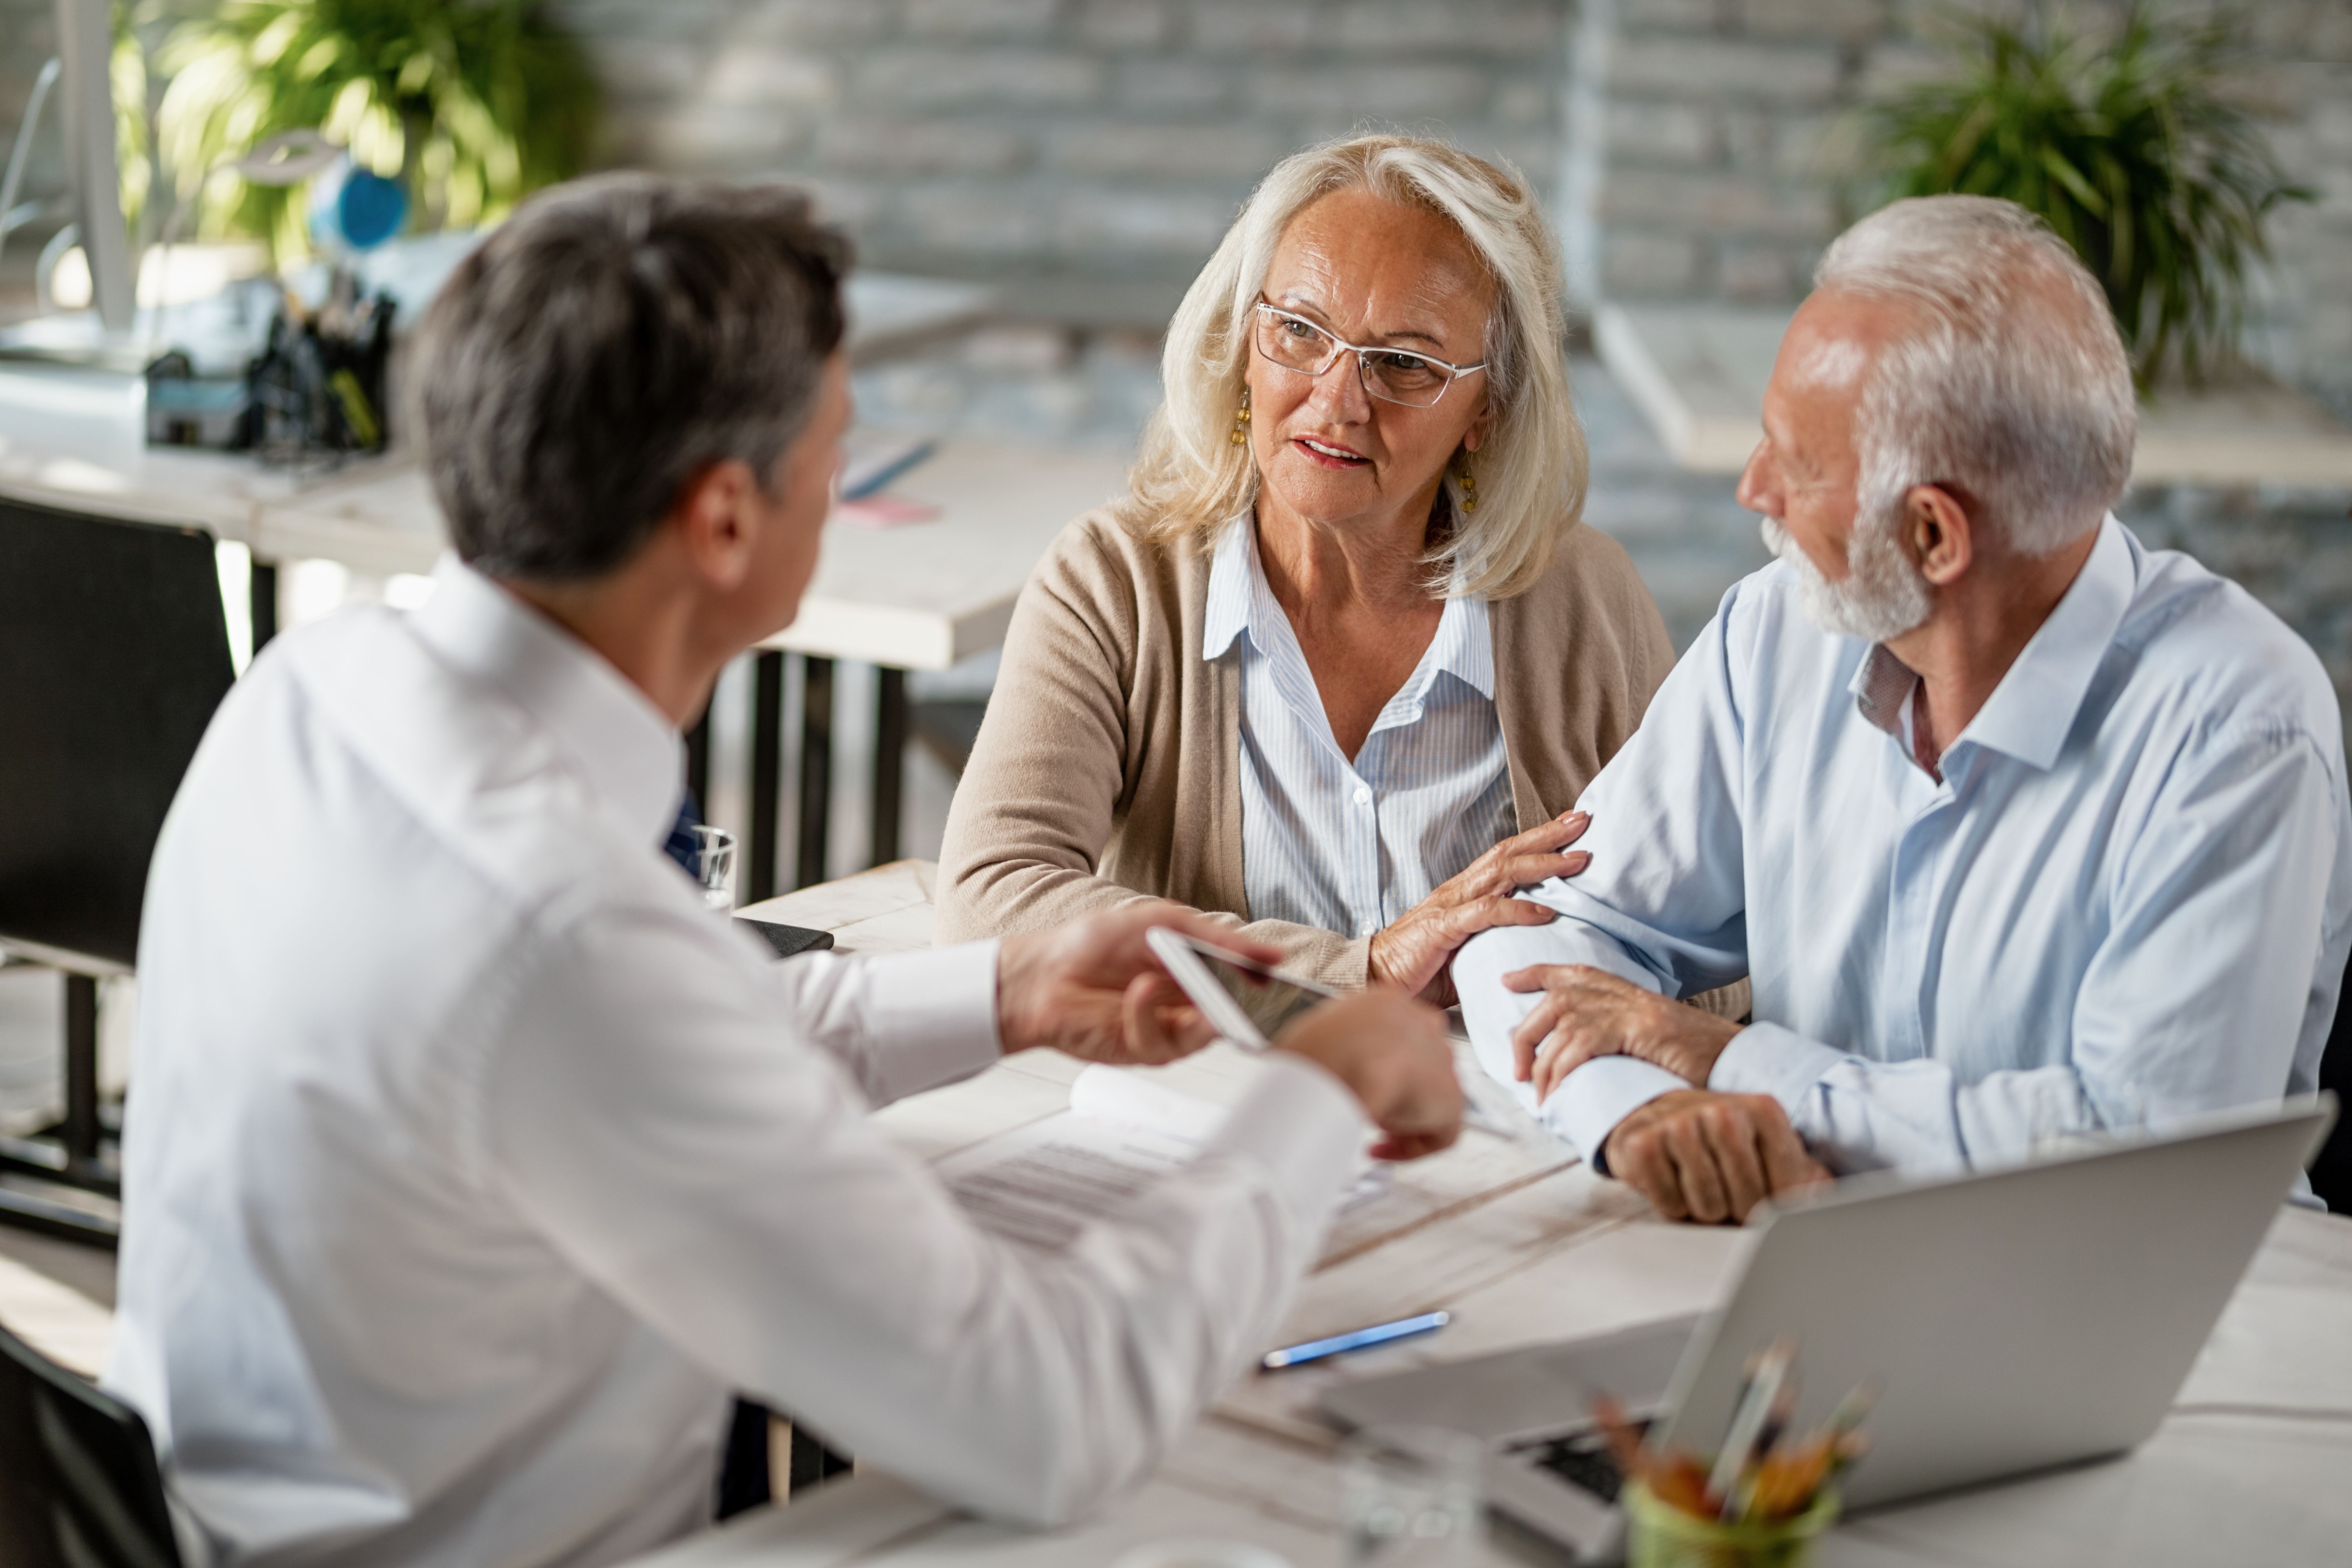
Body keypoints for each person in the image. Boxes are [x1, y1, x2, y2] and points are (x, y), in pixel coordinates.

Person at [102, 174, 1464, 1568]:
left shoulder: (308, 693)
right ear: (725, 522)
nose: (848, 472)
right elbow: (1046, 1416)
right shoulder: (565, 928)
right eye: (836, 448)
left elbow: (649, 1044)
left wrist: (1004, 991)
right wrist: (1317, 1095)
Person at [1454, 195, 2352, 1225]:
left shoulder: (2238, 725)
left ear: (1933, 537)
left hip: (2162, 1320)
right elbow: (1537, 926)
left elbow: (2143, 1155)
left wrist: (1744, 1064)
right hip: (1812, 1264)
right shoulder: (1776, 633)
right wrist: (1637, 1111)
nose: (1754, 489)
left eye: (1793, 462)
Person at [938, 134, 1728, 1016]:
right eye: (1300, 331)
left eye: (1405, 363)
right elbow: (990, 899)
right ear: (1244, 341)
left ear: (1487, 410)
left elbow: (1719, 953)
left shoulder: (1586, 600)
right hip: (1212, 1114)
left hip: (1504, 1129)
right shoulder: (1116, 581)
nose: (1338, 398)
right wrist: (1364, 970)